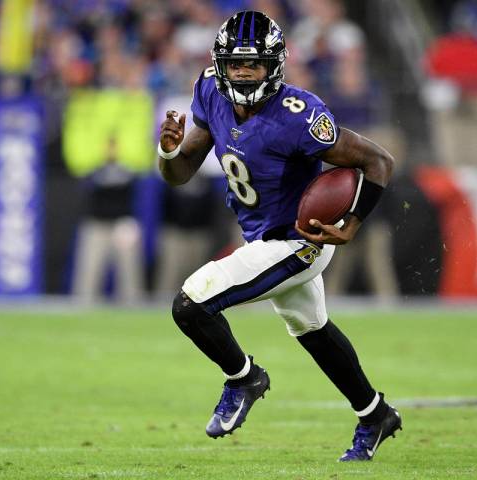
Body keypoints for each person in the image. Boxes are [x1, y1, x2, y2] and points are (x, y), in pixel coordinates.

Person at [157, 11, 399, 462]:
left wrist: (353, 223)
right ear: (220, 64)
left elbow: (379, 162)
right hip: (261, 238)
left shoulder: (299, 115)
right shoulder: (210, 90)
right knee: (313, 330)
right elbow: (180, 172)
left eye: (254, 64)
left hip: (298, 240)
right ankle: (375, 414)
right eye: (235, 64)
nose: (243, 73)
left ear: (275, 66)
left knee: (191, 305)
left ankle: (243, 377)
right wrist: (168, 151)